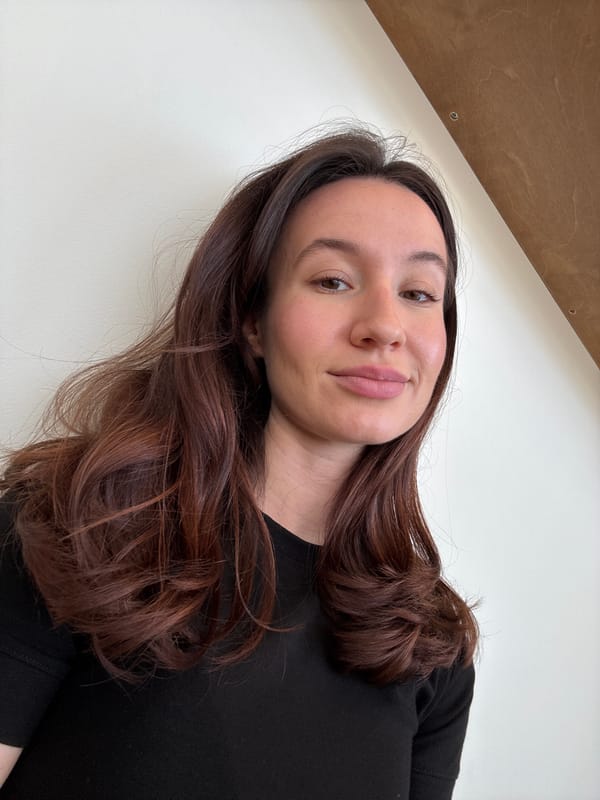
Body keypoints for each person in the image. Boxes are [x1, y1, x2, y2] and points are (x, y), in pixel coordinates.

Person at [0, 127, 478, 799]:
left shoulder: (431, 644)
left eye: (420, 293)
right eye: (333, 280)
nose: (385, 325)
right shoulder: (76, 528)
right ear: (252, 319)